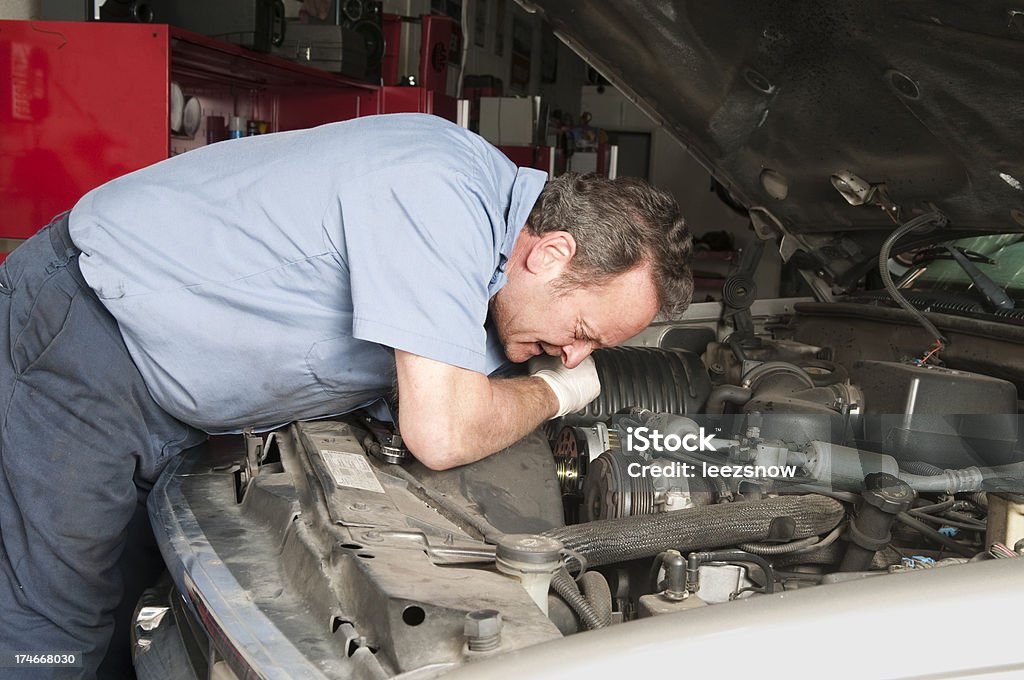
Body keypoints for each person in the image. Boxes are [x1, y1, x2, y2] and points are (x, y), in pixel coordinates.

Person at [0, 113, 692, 678]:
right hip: (83, 340)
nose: (576, 355)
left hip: (163, 397)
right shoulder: (440, 191)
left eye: (588, 353)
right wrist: (559, 392)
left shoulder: (492, 299)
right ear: (549, 254)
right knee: (53, 626)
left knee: (132, 611)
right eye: (580, 332)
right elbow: (443, 432)